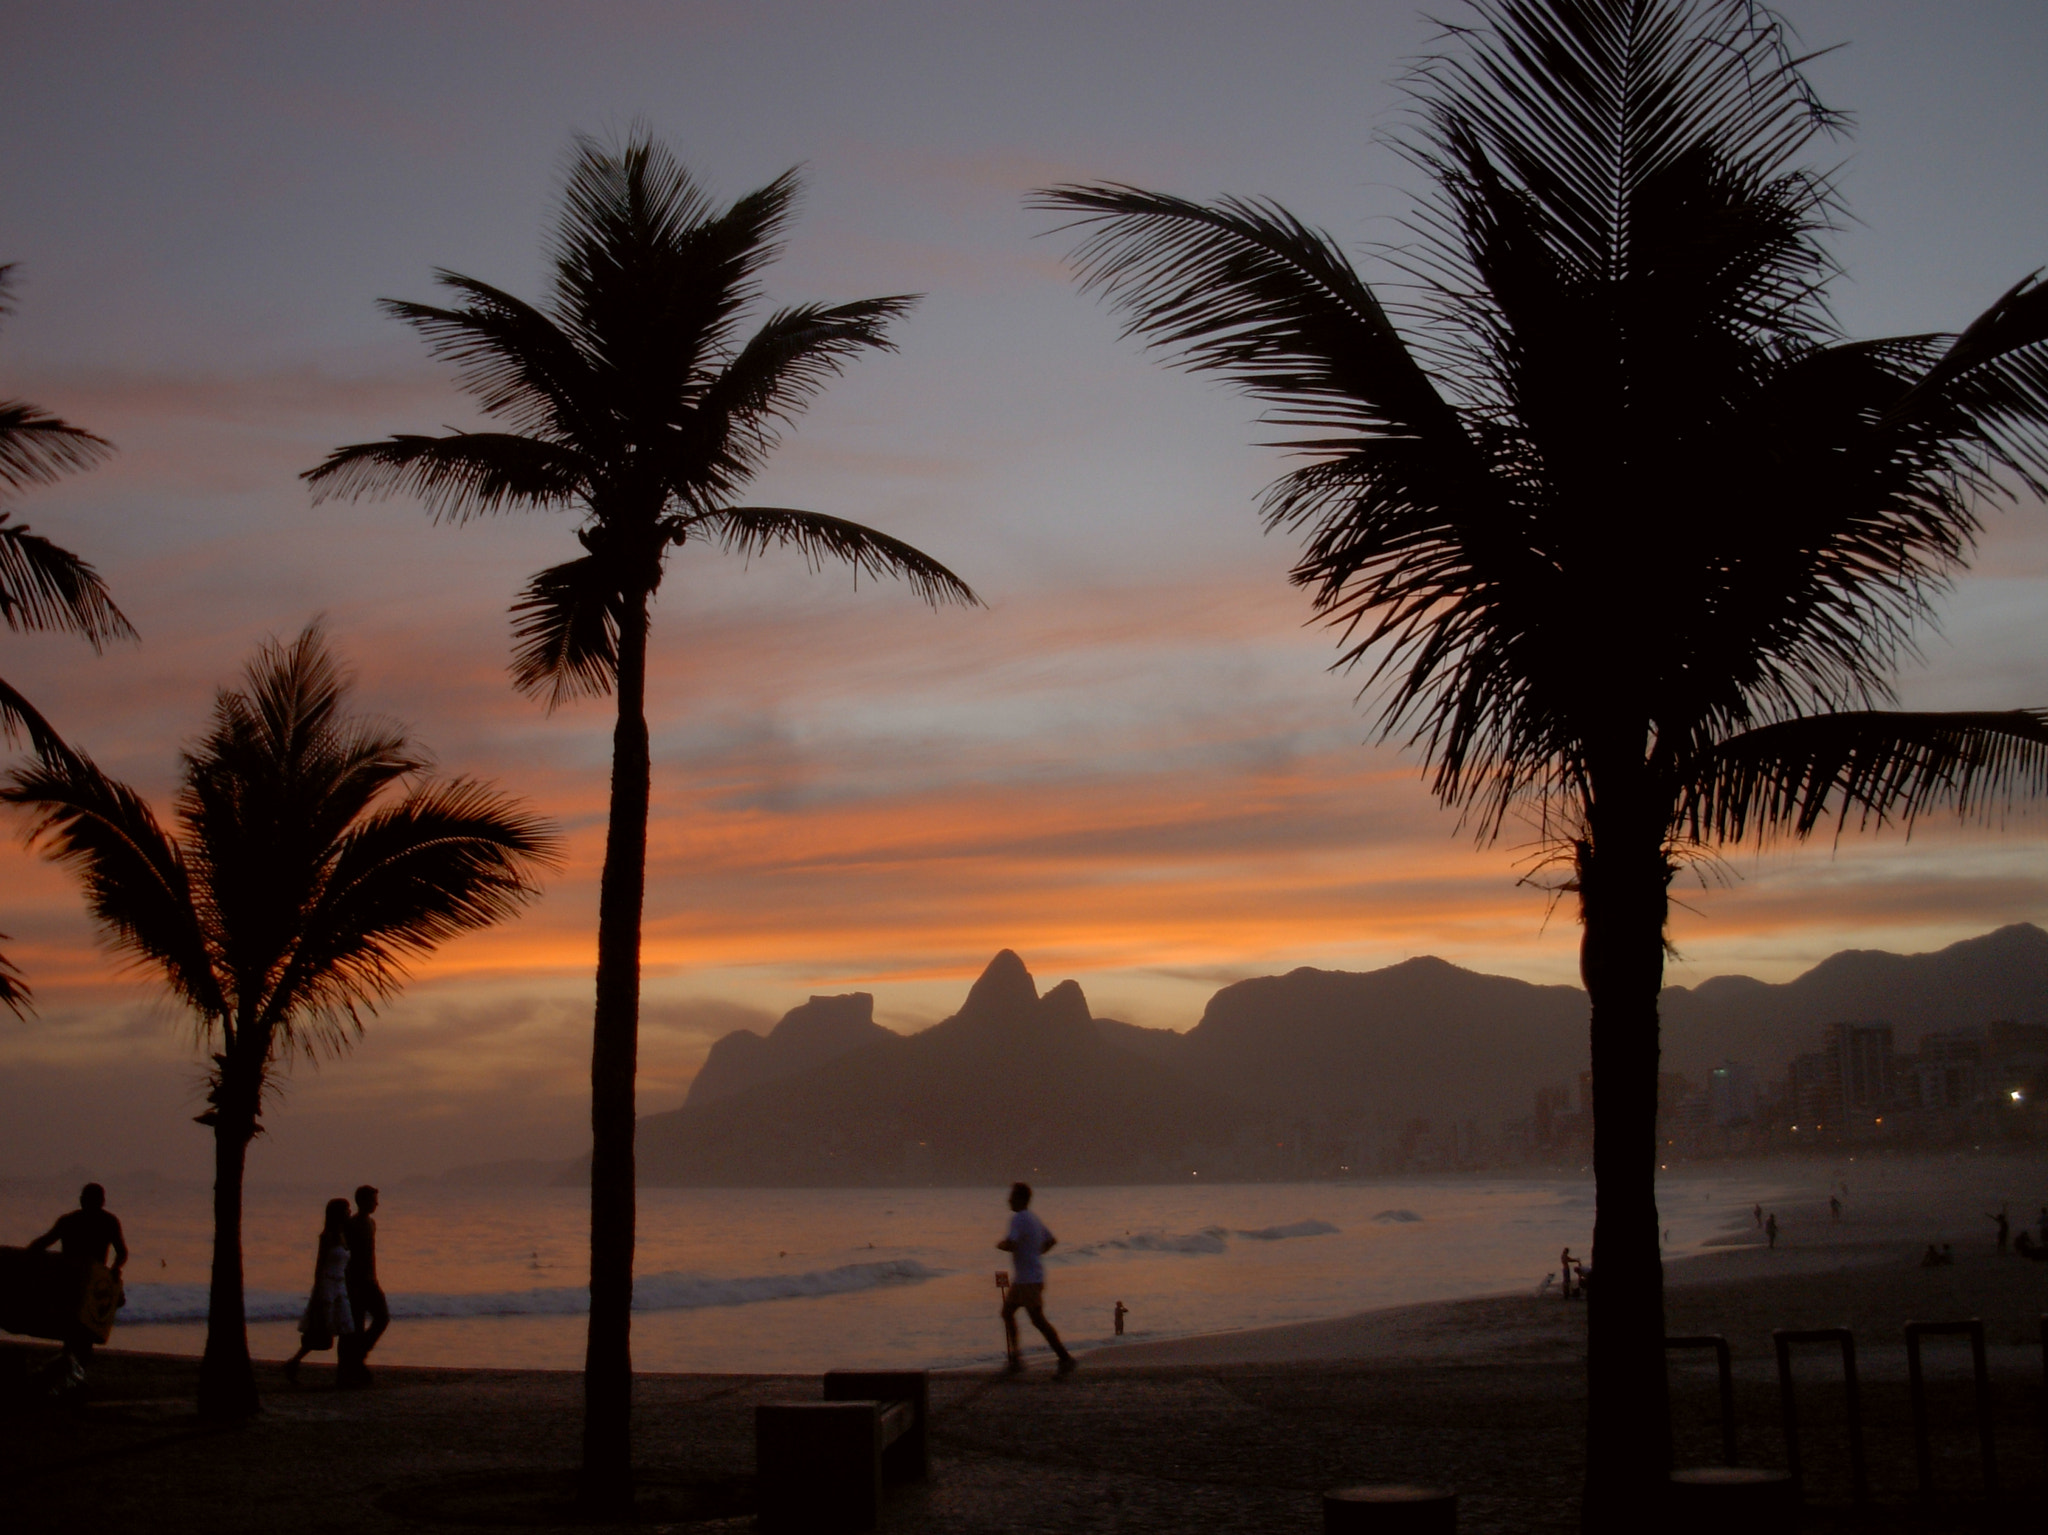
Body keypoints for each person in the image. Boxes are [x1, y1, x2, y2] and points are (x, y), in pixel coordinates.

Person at [26, 1183, 127, 1388]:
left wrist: (28, 1258)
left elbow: (41, 1244)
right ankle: (72, 1374)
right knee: (81, 1334)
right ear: (102, 1201)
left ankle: (69, 1374)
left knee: (75, 1333)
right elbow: (122, 1253)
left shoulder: (73, 1221)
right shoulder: (105, 1221)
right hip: (83, 1285)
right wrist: (115, 1267)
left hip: (75, 1284)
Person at [995, 1182, 1075, 1377]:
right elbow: (1051, 1240)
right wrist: (1035, 1254)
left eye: (1012, 1196)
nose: (1009, 1200)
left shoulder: (1018, 1219)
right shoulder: (1032, 1218)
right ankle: (1016, 1359)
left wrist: (1002, 1245)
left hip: (1028, 1281)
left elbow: (1012, 1243)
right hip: (1028, 1278)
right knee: (1007, 1313)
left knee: (1037, 1320)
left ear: (1021, 1199)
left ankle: (1065, 1358)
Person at [284, 1198, 354, 1383]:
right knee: (322, 1330)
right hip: (328, 1284)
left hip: (340, 1285)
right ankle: (295, 1361)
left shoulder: (343, 1235)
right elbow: (319, 1265)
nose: (349, 1212)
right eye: (347, 1210)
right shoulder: (328, 1236)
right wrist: (319, 1292)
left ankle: (344, 1369)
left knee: (345, 1328)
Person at [338, 1185, 387, 1387]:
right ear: (363, 1201)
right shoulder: (351, 1225)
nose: (377, 1203)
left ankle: (357, 1358)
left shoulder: (371, 1223)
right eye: (373, 1200)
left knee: (382, 1318)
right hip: (355, 1282)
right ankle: (349, 1369)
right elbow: (345, 1254)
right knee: (354, 1327)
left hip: (370, 1279)